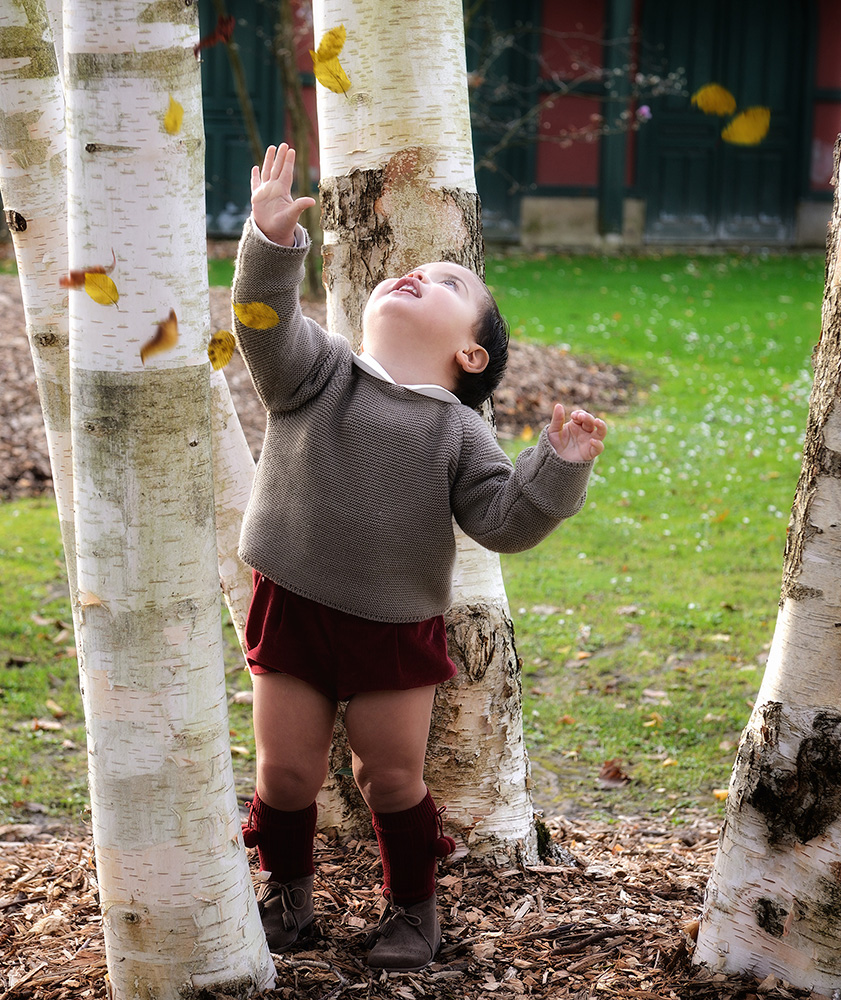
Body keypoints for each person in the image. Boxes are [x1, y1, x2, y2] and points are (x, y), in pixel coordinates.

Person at [233, 143, 607, 972]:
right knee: (285, 773)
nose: (418, 277)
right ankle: (287, 900)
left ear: (472, 357)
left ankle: (414, 912)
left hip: (395, 631)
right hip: (293, 605)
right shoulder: (317, 372)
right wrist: (269, 244)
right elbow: (262, 325)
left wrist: (558, 466)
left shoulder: (458, 431)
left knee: (391, 779)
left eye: (449, 284)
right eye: (415, 272)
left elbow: (505, 521)